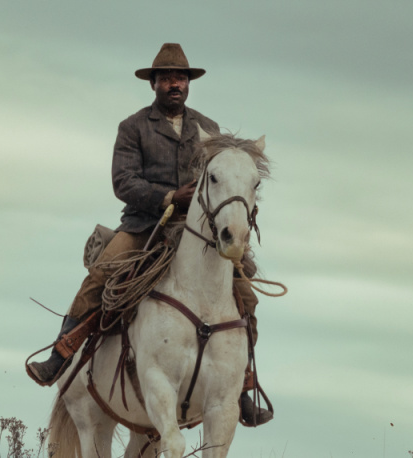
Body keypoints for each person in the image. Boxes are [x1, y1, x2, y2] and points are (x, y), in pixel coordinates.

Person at [26, 43, 273, 426]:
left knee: (245, 296)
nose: (175, 84)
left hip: (198, 229)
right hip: (145, 224)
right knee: (101, 276)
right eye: (167, 78)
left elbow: (221, 179)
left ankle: (242, 386)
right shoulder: (134, 127)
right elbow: (123, 182)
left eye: (181, 78)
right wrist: (169, 196)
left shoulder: (208, 131)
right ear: (154, 84)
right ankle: (61, 354)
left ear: (188, 84)